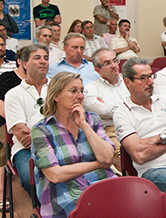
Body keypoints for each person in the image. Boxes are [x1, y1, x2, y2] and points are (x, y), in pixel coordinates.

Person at [113, 58, 166, 207]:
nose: (151, 82)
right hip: (154, 174)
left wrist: (160, 138)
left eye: (151, 76)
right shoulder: (122, 113)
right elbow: (140, 155)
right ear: (127, 82)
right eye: (143, 78)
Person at [31, 72, 116, 218]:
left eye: (82, 91)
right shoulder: (41, 130)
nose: (80, 96)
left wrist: (84, 125)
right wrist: (97, 164)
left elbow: (107, 158)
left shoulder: (92, 120)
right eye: (73, 91)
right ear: (56, 96)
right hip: (65, 193)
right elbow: (55, 175)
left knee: (134, 202)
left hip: (102, 184)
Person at [5, 43, 49, 201]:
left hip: (59, 143)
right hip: (25, 149)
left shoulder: (58, 89)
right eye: (37, 58)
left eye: (46, 58)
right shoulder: (13, 94)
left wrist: (42, 136)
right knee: (29, 179)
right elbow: (21, 132)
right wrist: (53, 133)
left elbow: (68, 123)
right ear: (24, 64)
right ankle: (45, 210)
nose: (43, 61)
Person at [0, 47, 26, 212]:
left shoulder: (41, 80)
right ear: (21, 61)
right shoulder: (6, 78)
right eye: (36, 58)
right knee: (7, 142)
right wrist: (18, 122)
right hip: (5, 121)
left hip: (31, 122)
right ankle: (2, 190)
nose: (42, 62)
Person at [84, 48, 129, 156]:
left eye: (115, 61)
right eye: (107, 63)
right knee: (125, 154)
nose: (114, 65)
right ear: (97, 70)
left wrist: (108, 105)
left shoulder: (129, 82)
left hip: (139, 125)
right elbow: (102, 110)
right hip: (112, 131)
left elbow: (144, 103)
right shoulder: (90, 89)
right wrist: (130, 106)